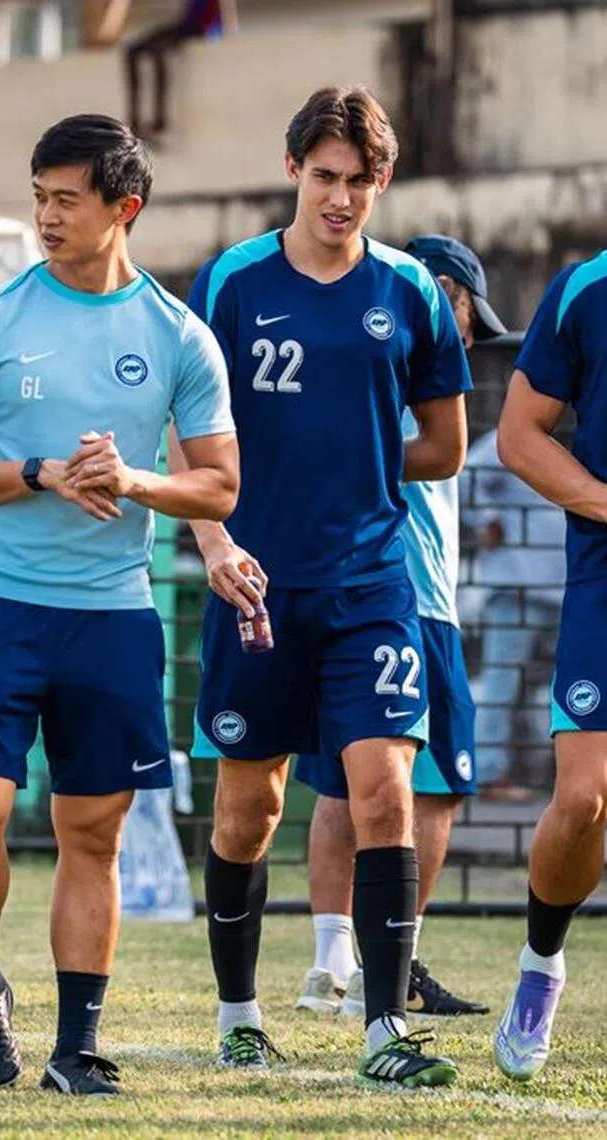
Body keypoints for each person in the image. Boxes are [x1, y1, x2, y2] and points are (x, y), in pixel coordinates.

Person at [0, 113, 237, 1097]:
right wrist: (40, 472)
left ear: (123, 209)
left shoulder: (180, 336)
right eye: (39, 196)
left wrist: (136, 481)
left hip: (112, 617)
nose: (45, 216)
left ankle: (77, 1047)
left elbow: (220, 487)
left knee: (92, 833)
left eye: (66, 199)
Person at [177, 86, 470, 1086]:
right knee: (247, 814)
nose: (342, 198)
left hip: (372, 582)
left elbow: (444, 445)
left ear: (383, 184)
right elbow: (182, 429)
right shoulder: (231, 281)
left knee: (384, 786)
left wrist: (361, 460)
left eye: (362, 182)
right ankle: (240, 1015)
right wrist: (215, 543)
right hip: (256, 584)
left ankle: (385, 1027)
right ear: (293, 168)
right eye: (326, 177)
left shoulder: (411, 292)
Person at [293, 235, 506, 1021]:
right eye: (467, 312)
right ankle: (379, 964)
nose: (474, 334)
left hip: (367, 590)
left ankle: (344, 963)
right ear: (438, 290)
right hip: (401, 595)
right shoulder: (395, 349)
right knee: (429, 787)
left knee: (351, 783)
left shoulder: (382, 356)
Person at [491, 248, 607, 1080]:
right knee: (584, 797)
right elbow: (519, 435)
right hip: (602, 576)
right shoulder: (584, 288)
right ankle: (540, 966)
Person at [464, 426, 565, 799]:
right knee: (501, 683)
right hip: (516, 583)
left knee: (572, 685)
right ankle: (491, 775)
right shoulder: (508, 435)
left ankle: (578, 773)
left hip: (566, 585)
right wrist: (486, 519)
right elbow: (465, 475)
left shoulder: (579, 435)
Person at [124, 0, 237, 140]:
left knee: (156, 52)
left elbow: (227, 17)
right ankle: (138, 117)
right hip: (188, 26)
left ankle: (159, 118)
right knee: (134, 51)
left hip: (202, 29)